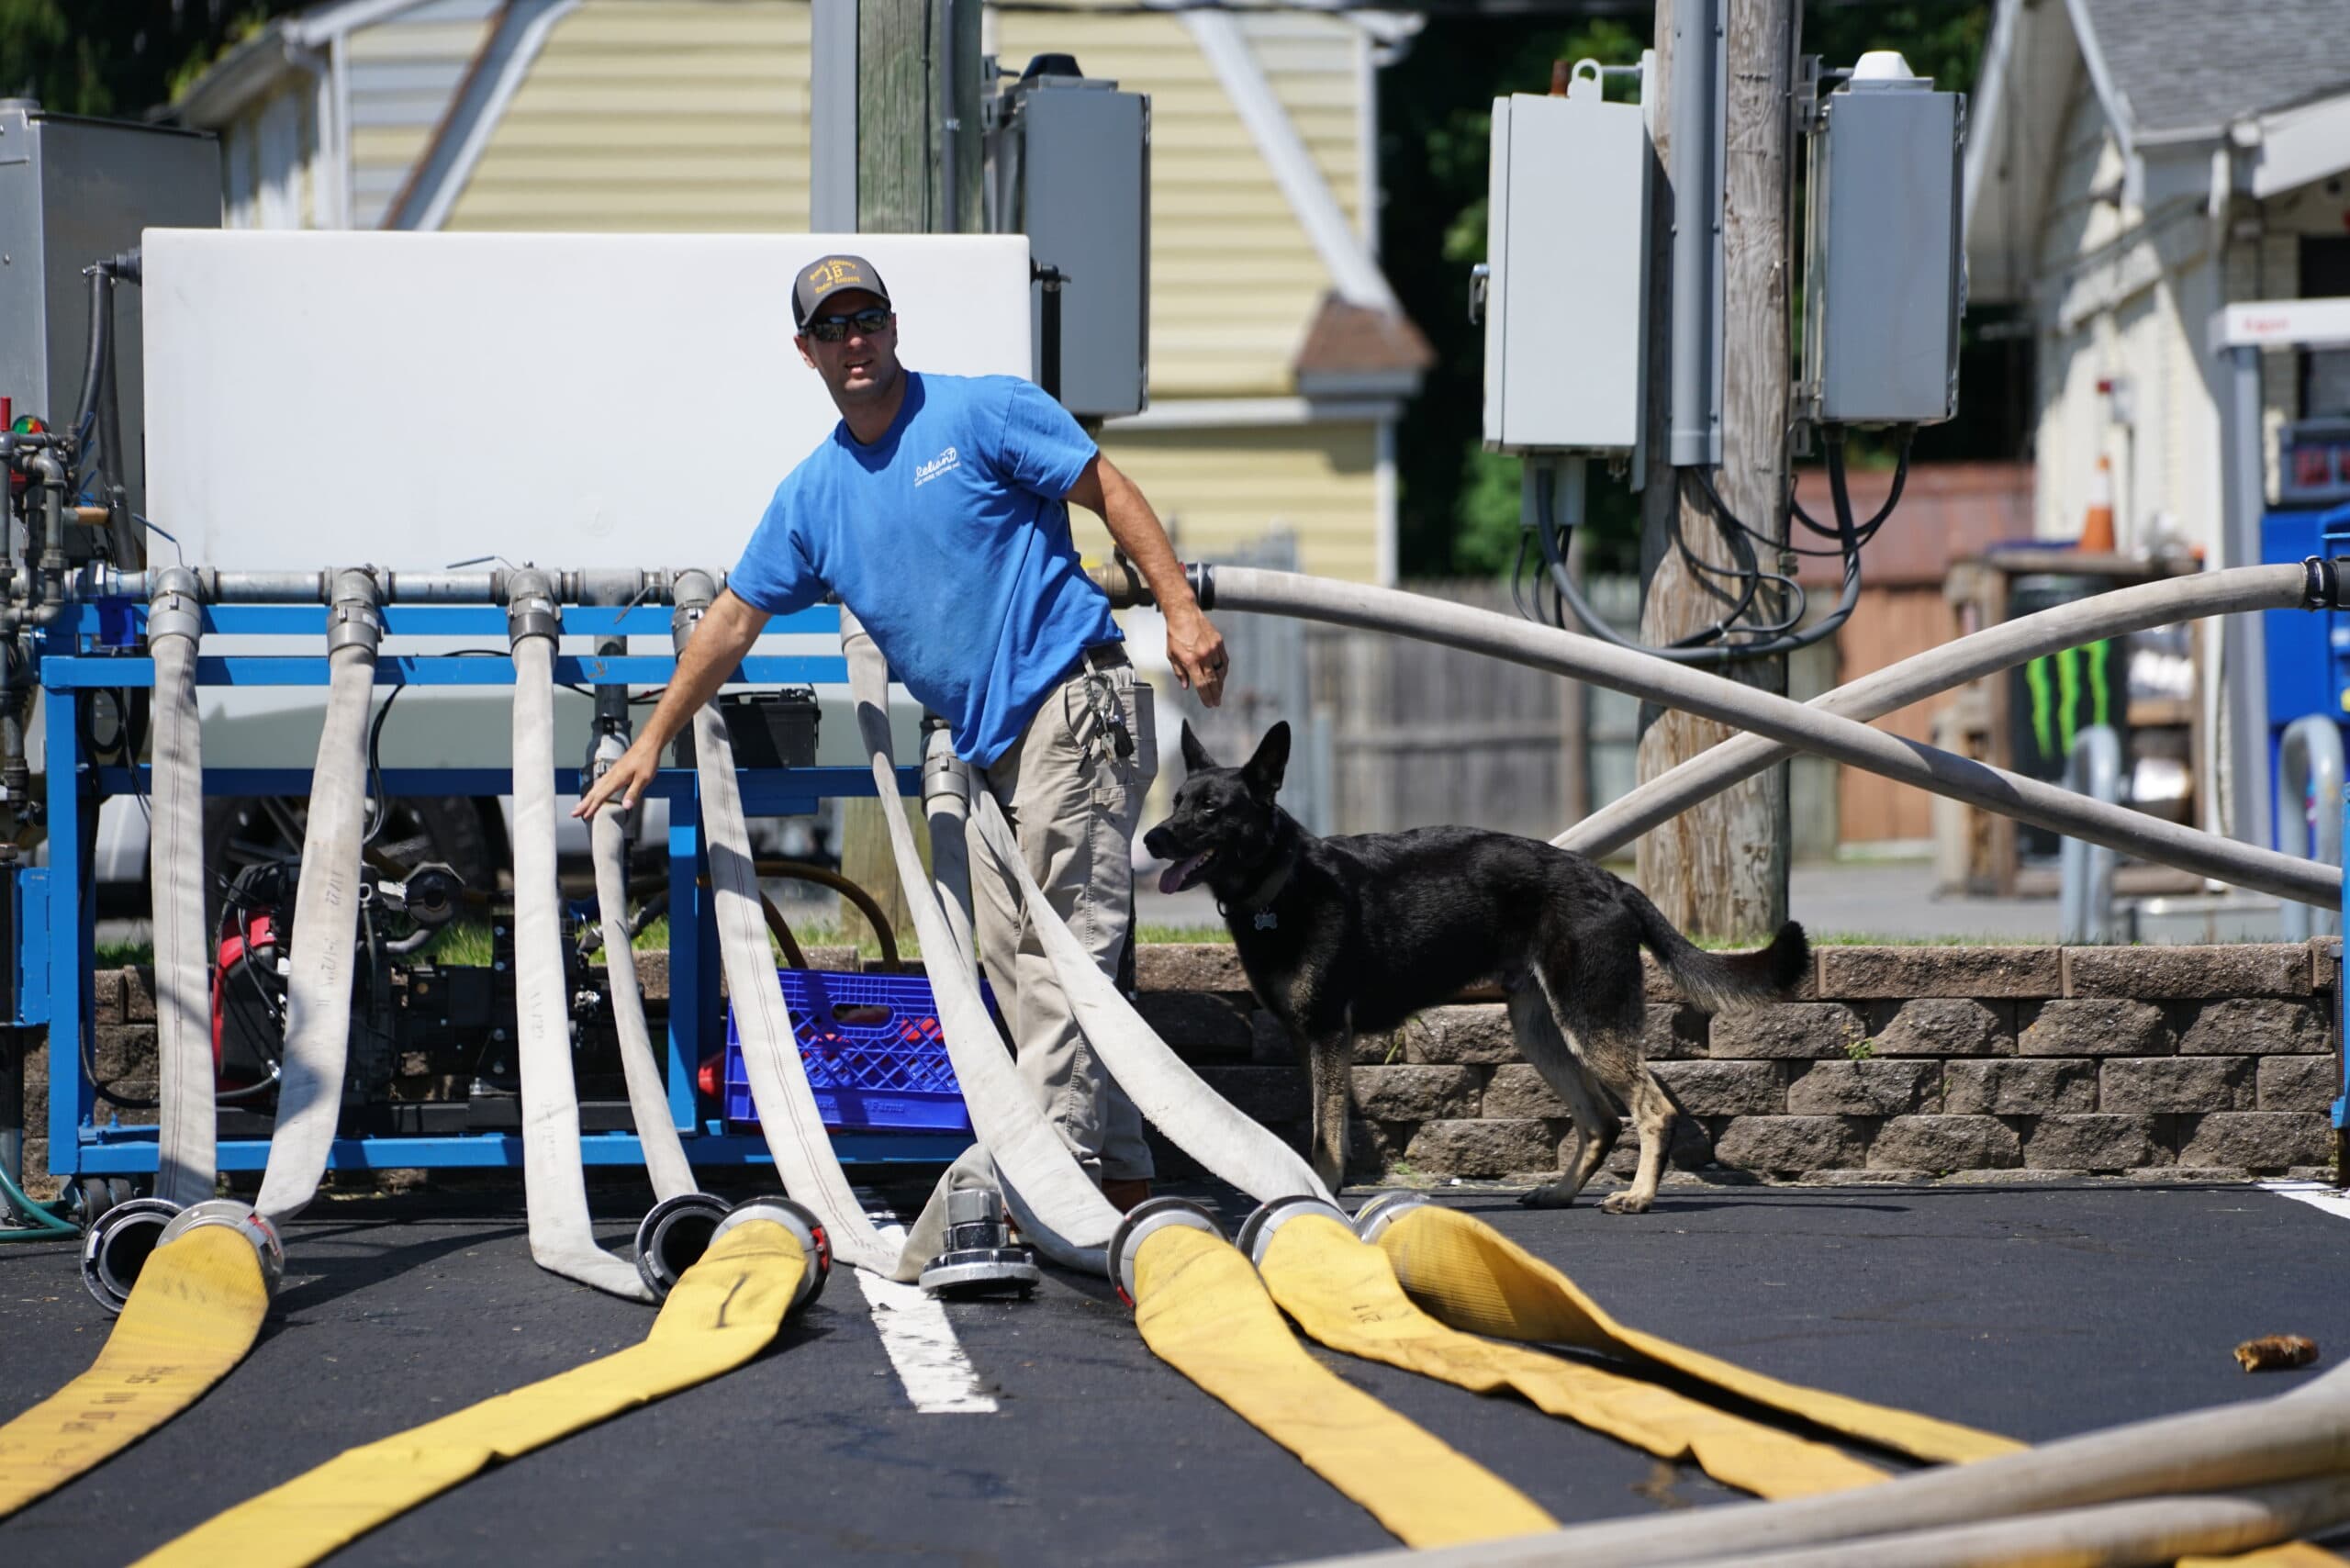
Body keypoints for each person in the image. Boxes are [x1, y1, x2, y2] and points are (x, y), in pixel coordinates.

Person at [575, 252, 1225, 1213]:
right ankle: (1126, 1192)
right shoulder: (815, 496)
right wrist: (649, 737)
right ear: (806, 352)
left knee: (1062, 967)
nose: (855, 342)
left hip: (1069, 705)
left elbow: (1108, 489)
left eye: (867, 319)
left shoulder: (980, 412)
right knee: (1020, 975)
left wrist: (1180, 610)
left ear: (892, 325)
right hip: (991, 744)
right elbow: (730, 623)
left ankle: (1054, 1198)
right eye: (832, 329)